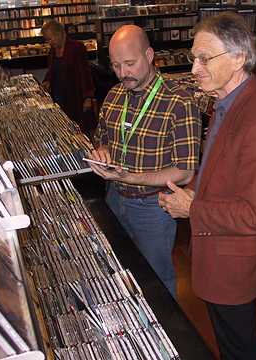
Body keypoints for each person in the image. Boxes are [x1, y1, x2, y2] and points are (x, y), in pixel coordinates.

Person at [158, 12, 256, 359]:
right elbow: (219, 168)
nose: (194, 69)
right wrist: (191, 194)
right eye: (193, 59)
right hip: (219, 251)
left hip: (234, 263)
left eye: (204, 58)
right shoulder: (226, 105)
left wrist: (192, 207)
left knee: (239, 347)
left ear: (239, 58)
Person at [89, 25, 201, 297]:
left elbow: (185, 172)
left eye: (130, 63)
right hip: (115, 198)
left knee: (158, 281)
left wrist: (129, 176)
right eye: (116, 65)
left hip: (153, 206)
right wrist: (102, 150)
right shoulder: (115, 94)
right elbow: (101, 137)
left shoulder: (179, 101)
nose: (123, 72)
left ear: (149, 55)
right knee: (120, 269)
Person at [41, 20, 96, 134]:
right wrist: (47, 81)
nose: (49, 42)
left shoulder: (77, 48)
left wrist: (88, 97)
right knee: (63, 128)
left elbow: (85, 73)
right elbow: (52, 70)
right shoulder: (52, 51)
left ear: (60, 33)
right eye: (47, 40)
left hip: (75, 96)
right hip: (58, 97)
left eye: (51, 39)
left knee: (79, 130)